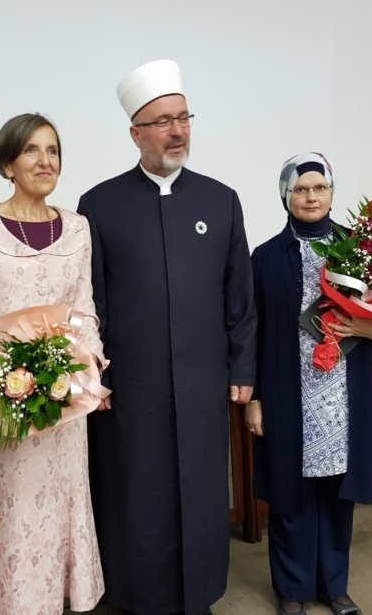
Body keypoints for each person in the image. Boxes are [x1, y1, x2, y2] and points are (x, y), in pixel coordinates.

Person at [77, 60, 257, 615]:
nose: (177, 130)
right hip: (131, 387)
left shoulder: (221, 200)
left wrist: (243, 368)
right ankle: (136, 596)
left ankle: (198, 594)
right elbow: (91, 303)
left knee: (202, 492)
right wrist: (93, 376)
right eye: (162, 121)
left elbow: (240, 298)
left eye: (183, 118)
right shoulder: (99, 204)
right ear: (135, 133)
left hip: (204, 382)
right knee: (139, 492)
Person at [0, 113, 105, 615]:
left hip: (59, 407)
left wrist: (86, 366)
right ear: (7, 163)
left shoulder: (77, 228)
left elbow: (85, 310)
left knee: (54, 512)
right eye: (31, 150)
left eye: (52, 151)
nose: (45, 160)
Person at [248, 153, 372, 615]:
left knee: (339, 494)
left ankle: (334, 586)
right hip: (287, 392)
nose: (310, 196)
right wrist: (255, 397)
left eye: (319, 187)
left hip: (344, 394)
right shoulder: (265, 258)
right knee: (289, 495)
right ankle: (293, 590)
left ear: (332, 193)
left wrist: (368, 330)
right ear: (285, 196)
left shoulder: (363, 250)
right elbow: (251, 331)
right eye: (300, 189)